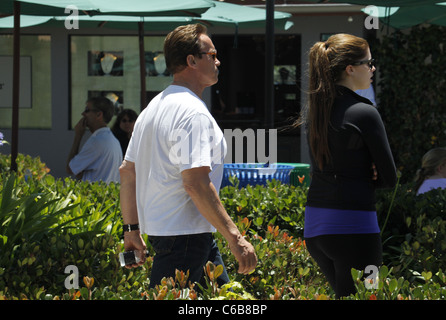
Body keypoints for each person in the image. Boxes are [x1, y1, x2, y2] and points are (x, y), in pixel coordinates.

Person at [119, 24, 257, 289]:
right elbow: (195, 182)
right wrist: (236, 238)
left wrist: (131, 231)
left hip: (182, 235)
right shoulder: (192, 112)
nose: (218, 61)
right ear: (191, 60)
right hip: (186, 238)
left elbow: (127, 172)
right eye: (212, 54)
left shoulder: (151, 110)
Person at [296, 34, 397, 298]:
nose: (373, 68)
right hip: (356, 226)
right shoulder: (365, 112)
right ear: (350, 69)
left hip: (316, 228)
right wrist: (369, 174)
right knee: (369, 294)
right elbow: (390, 178)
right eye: (369, 62)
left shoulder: (318, 110)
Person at [67, 97, 122, 183]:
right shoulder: (112, 139)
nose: (83, 114)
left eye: (87, 110)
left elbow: (70, 168)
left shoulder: (97, 141)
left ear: (99, 115)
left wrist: (78, 136)